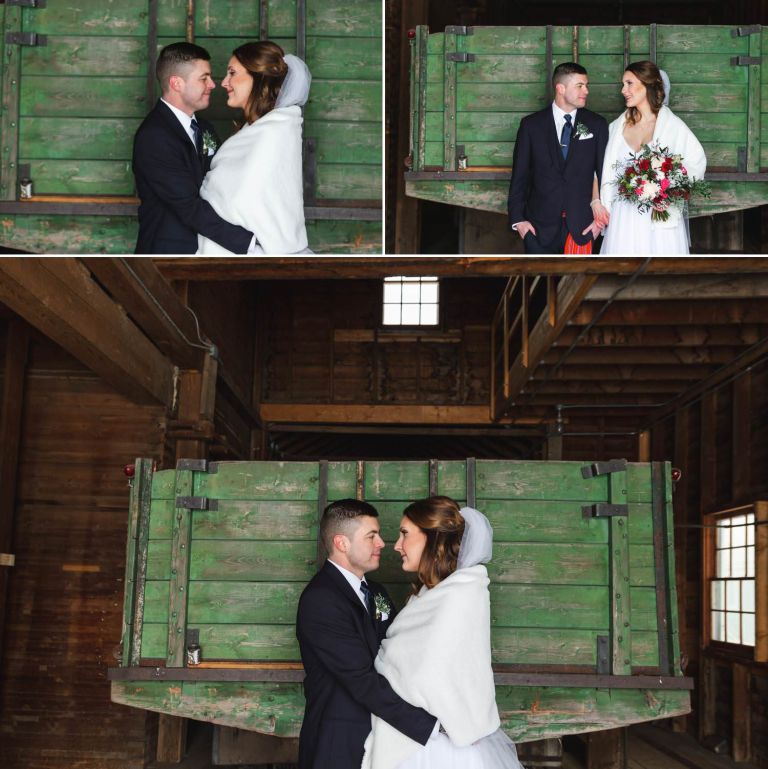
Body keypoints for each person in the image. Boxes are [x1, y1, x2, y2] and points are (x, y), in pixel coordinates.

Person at [362, 496, 523, 769]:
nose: (397, 545)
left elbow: (432, 674)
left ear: (433, 538)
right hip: (420, 735)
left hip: (440, 746)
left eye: (405, 534)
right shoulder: (429, 594)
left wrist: (384, 668)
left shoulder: (459, 596)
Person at [296, 499, 437, 769]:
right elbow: (360, 679)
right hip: (338, 740)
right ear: (342, 543)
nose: (382, 543)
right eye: (372, 535)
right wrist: (427, 727)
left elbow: (399, 647)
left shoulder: (377, 593)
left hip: (383, 736)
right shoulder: (320, 600)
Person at [132, 42, 256, 254]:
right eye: (203, 78)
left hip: (206, 247)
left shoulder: (204, 127)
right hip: (169, 252)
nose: (212, 85)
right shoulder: (154, 136)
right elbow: (188, 206)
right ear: (177, 83)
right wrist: (249, 243)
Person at [197, 41, 310, 254]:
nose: (224, 83)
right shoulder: (258, 128)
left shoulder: (274, 131)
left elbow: (243, 197)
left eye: (232, 73)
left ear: (258, 78)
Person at [599, 61, 706, 254]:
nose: (624, 90)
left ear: (647, 84)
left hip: (659, 217)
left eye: (629, 83)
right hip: (624, 217)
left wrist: (668, 192)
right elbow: (602, 170)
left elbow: (696, 163)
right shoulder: (616, 128)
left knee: (660, 274)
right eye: (623, 84)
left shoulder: (672, 126)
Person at [507, 62, 609, 254]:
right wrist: (519, 221)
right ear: (560, 88)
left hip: (583, 229)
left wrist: (599, 224)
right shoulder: (531, 126)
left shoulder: (597, 124)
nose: (586, 91)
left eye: (586, 85)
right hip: (538, 230)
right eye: (580, 86)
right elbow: (520, 176)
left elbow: (604, 174)